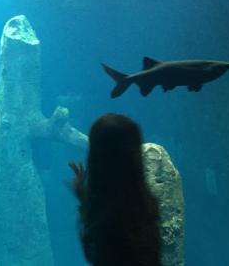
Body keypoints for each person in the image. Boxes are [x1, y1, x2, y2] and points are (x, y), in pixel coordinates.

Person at [69, 113, 162, 266]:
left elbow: (95, 250)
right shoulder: (145, 207)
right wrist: (83, 195)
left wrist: (85, 198)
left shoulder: (108, 221)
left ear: (95, 159)